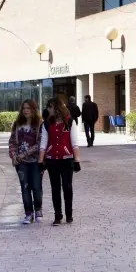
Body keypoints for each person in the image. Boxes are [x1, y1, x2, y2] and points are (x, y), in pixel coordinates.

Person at [39, 96, 81, 226]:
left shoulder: (70, 122)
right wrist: (41, 161)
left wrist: (77, 160)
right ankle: (58, 215)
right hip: (52, 160)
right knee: (55, 188)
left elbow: (74, 142)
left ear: (57, 108)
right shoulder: (46, 124)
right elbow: (43, 143)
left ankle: (69, 214)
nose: (48, 109)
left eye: (50, 106)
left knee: (67, 187)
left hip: (67, 159)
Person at [8, 99, 43, 224]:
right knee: (25, 187)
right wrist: (13, 156)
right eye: (24, 108)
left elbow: (40, 143)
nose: (26, 111)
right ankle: (28, 213)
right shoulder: (17, 124)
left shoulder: (39, 124)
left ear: (34, 110)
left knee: (36, 186)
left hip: (35, 161)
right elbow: (12, 141)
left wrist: (25, 153)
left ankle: (38, 209)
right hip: (21, 162)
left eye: (28, 108)